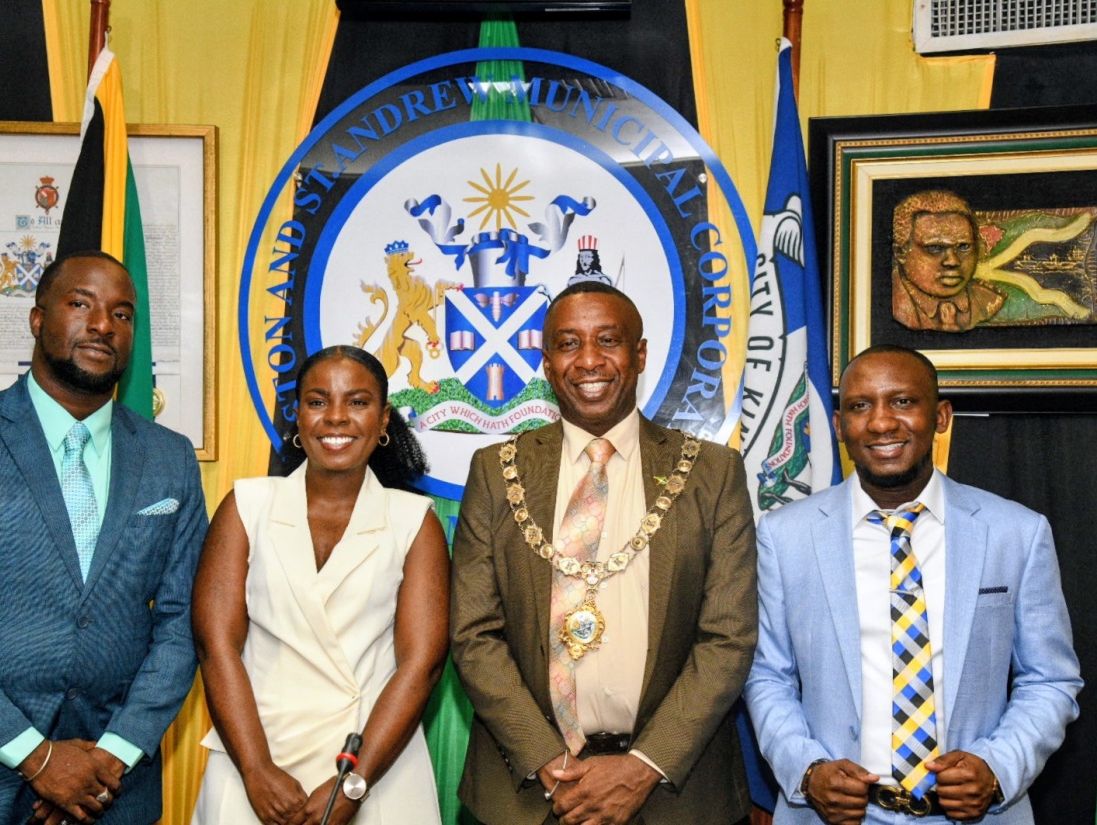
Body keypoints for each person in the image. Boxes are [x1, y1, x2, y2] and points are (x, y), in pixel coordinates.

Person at [0, 250, 209, 825]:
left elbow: (182, 623)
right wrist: (37, 758)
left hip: (111, 792)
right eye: (81, 304)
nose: (103, 325)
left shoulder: (170, 459)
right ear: (38, 319)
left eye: (122, 314)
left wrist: (109, 761)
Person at [451, 281, 758, 825]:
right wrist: (544, 757)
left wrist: (644, 765)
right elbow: (474, 634)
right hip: (530, 794)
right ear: (548, 364)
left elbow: (728, 638)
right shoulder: (495, 471)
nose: (589, 360)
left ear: (639, 355)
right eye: (568, 344)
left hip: (676, 793)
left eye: (608, 340)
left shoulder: (712, 473)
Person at [745, 344, 1082, 824]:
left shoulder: (1016, 533)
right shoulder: (784, 537)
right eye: (860, 406)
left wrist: (998, 767)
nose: (881, 422)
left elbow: (1050, 679)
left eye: (903, 401)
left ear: (941, 416)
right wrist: (807, 770)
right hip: (832, 814)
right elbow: (766, 676)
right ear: (839, 426)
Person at [191, 345, 448, 825]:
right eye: (317, 401)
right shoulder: (247, 504)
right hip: (253, 757)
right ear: (297, 415)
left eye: (357, 402)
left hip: (374, 763)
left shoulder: (414, 520)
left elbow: (422, 665)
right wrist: (256, 769)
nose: (335, 418)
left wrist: (356, 780)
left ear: (383, 418)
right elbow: (215, 646)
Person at [890, 191, 1069, 332]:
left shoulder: (989, 302)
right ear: (901, 253)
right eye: (935, 248)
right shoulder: (892, 307)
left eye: (964, 247)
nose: (952, 261)